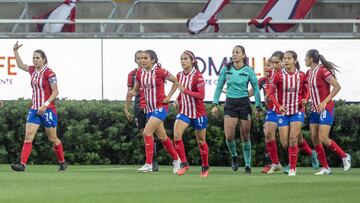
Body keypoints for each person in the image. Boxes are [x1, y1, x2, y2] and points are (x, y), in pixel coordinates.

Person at [11, 41, 67, 172]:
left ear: (44, 59)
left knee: (52, 138)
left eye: (37, 58)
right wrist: (15, 51)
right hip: (35, 109)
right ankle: (22, 165)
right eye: (33, 58)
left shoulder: (50, 73)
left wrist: (45, 105)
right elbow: (20, 65)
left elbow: (55, 92)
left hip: (47, 110)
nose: (35, 60)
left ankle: (62, 162)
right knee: (28, 136)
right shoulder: (32, 70)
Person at [211, 45, 262, 174]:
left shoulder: (249, 70)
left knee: (245, 136)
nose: (234, 54)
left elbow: (256, 89)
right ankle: (234, 156)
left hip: (244, 103)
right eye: (233, 52)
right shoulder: (226, 69)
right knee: (229, 136)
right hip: (230, 104)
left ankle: (247, 165)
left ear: (243, 55)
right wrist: (215, 104)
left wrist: (258, 106)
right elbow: (219, 86)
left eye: (237, 52)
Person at [130, 50, 181, 173]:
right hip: (149, 109)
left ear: (153, 60)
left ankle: (149, 164)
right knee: (162, 136)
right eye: (141, 58)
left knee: (147, 133)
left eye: (145, 58)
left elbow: (176, 81)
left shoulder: (160, 71)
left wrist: (169, 97)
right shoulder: (139, 73)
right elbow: (135, 90)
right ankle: (177, 159)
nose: (142, 60)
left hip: (161, 107)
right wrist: (130, 94)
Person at [305, 49, 351, 175]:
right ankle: (325, 167)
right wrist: (306, 100)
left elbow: (337, 86)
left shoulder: (323, 71)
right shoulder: (309, 72)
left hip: (326, 108)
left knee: (323, 138)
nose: (304, 60)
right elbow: (310, 91)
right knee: (315, 139)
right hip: (314, 109)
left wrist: (325, 101)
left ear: (311, 59)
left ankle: (344, 156)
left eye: (305, 57)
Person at [267, 50, 309, 176]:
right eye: (284, 58)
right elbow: (270, 92)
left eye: (289, 58)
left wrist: (305, 100)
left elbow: (307, 90)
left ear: (295, 60)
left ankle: (292, 168)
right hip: (283, 112)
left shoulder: (301, 75)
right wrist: (278, 106)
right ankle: (306, 154)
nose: (286, 60)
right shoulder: (278, 75)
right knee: (285, 143)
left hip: (297, 110)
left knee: (293, 138)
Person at [173, 50, 209, 177]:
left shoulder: (197, 75)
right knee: (177, 136)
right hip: (184, 111)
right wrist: (177, 100)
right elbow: (181, 92)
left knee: (201, 141)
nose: (183, 61)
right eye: (181, 59)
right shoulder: (179, 75)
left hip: (198, 113)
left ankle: (205, 166)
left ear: (192, 61)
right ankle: (184, 163)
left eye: (186, 59)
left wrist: (185, 90)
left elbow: (201, 95)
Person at [124, 50, 159, 172]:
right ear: (135, 60)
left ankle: (153, 162)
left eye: (143, 58)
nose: (141, 60)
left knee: (150, 133)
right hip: (138, 106)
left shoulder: (154, 71)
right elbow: (130, 93)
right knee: (143, 133)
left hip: (150, 106)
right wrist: (126, 108)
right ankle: (149, 161)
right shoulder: (132, 74)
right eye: (138, 58)